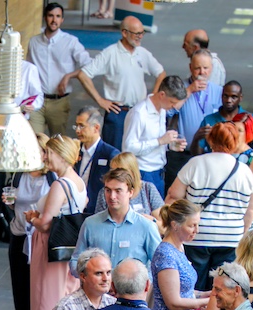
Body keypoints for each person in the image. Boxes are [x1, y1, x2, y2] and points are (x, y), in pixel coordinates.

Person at [165, 122, 253, 291]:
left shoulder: (195, 164)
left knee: (194, 285)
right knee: (222, 287)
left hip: (197, 235)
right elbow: (251, 210)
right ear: (235, 142)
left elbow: (173, 196)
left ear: (210, 140)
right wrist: (241, 232)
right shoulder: (244, 171)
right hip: (231, 239)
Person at [25, 135, 86, 310]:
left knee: (45, 299)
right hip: (68, 248)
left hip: (50, 247)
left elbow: (44, 223)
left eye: (48, 153)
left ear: (60, 155)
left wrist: (32, 218)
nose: (45, 157)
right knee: (63, 295)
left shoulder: (60, 185)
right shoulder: (78, 182)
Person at [76, 16, 166, 150]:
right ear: (124, 33)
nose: (140, 36)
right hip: (118, 113)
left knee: (138, 153)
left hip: (139, 111)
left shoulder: (142, 53)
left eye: (142, 33)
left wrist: (153, 97)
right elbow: (83, 75)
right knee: (115, 154)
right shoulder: (110, 53)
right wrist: (100, 100)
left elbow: (161, 74)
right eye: (137, 33)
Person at [4, 134, 53, 310]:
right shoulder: (18, 174)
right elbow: (11, 201)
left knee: (40, 284)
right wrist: (7, 202)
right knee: (19, 282)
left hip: (40, 236)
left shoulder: (51, 178)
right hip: (19, 232)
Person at [71, 169, 162, 275]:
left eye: (118, 191)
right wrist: (90, 276)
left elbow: (160, 264)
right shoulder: (90, 224)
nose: (112, 196)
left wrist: (145, 285)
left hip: (133, 290)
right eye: (108, 190)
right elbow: (75, 261)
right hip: (98, 290)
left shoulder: (146, 226)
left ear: (130, 192)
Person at [27, 3, 92, 136]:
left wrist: (69, 76)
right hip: (37, 101)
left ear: (62, 19)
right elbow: (29, 69)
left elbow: (89, 65)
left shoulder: (71, 42)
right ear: (45, 17)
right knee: (35, 141)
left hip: (59, 102)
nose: (54, 20)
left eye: (58, 16)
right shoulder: (34, 42)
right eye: (51, 16)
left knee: (57, 144)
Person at [122, 75, 189, 197]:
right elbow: (128, 148)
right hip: (143, 172)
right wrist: (160, 141)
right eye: (172, 102)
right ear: (162, 95)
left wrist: (170, 145)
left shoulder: (162, 110)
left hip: (159, 171)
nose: (174, 107)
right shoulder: (139, 113)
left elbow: (157, 142)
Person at [49, 248, 115, 310]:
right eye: (99, 273)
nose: (105, 278)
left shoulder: (113, 303)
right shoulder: (65, 307)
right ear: (83, 276)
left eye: (108, 272)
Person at [192, 81, 253, 154]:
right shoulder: (208, 120)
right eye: (225, 96)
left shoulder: (250, 119)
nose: (228, 100)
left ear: (240, 98)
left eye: (233, 97)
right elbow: (197, 154)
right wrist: (196, 139)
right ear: (221, 96)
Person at [73, 107, 119, 216]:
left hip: (98, 212)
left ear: (96, 128)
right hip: (75, 210)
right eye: (76, 125)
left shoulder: (110, 154)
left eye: (82, 126)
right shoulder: (74, 150)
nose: (77, 130)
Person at [94, 151, 165, 219]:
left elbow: (163, 225)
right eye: (113, 171)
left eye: (121, 172)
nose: (116, 175)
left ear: (132, 171)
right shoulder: (105, 192)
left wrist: (149, 221)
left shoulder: (148, 189)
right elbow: (98, 223)